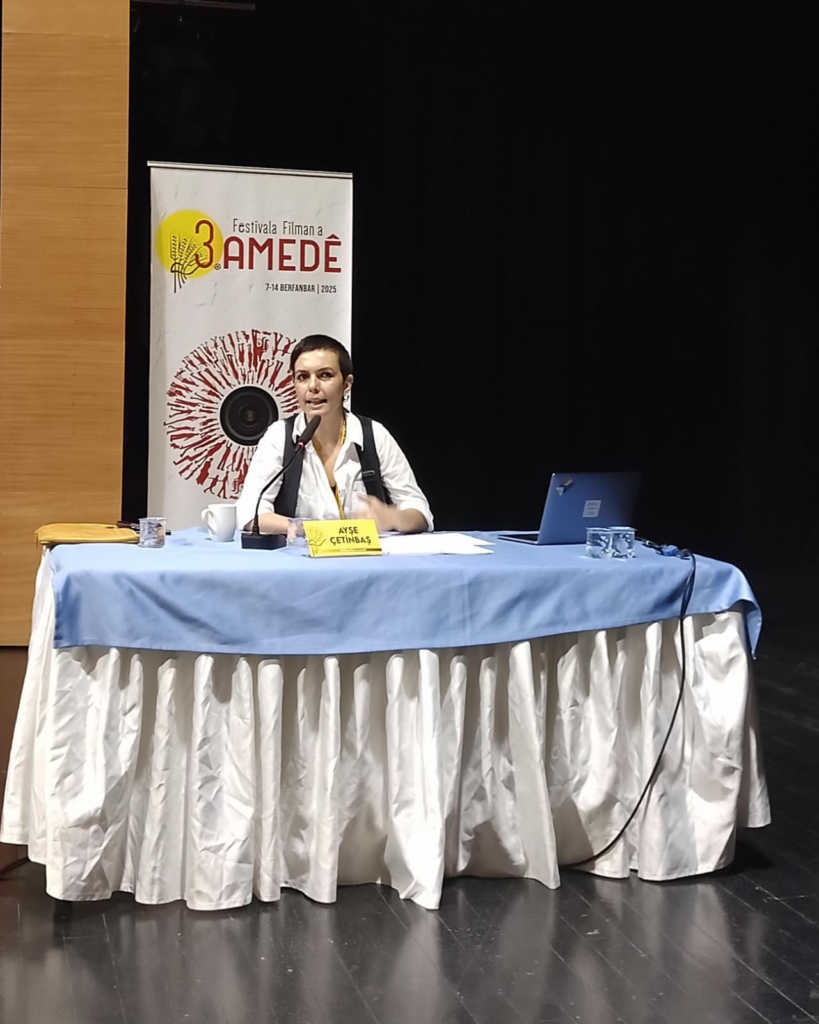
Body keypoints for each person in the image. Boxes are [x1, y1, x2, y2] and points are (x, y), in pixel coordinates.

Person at [236, 335, 432, 536]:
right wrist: (308, 529)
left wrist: (392, 517)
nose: (313, 386)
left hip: (367, 555)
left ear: (347, 384)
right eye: (303, 377)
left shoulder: (374, 434)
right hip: (303, 554)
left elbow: (420, 513)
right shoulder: (279, 436)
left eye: (325, 375)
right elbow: (250, 513)